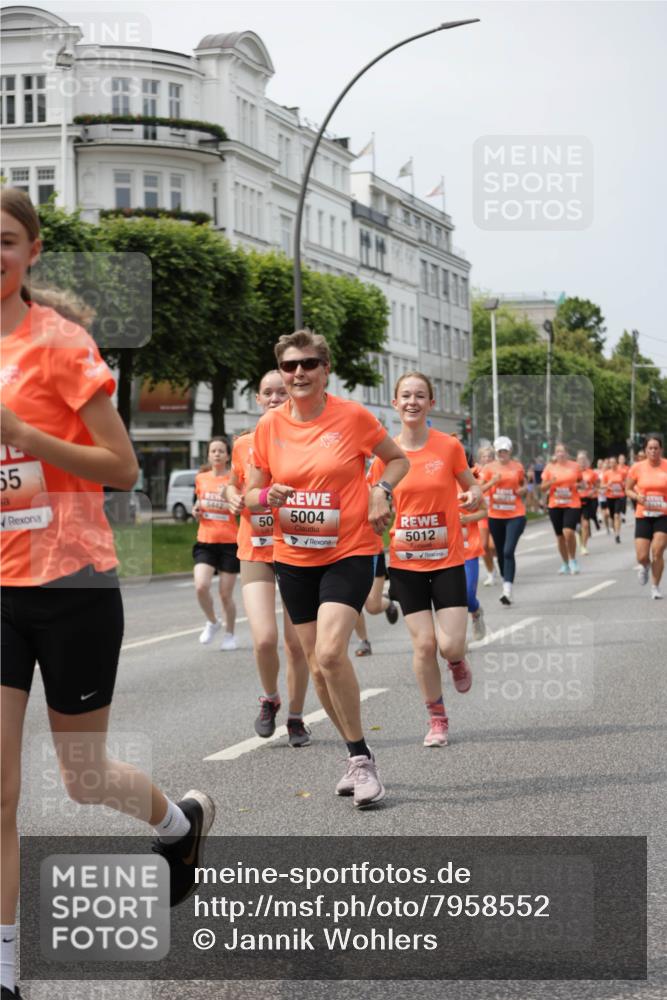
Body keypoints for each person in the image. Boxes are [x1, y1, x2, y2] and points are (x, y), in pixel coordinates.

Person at [0, 189, 213, 999]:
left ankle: (176, 824)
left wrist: (25, 437)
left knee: (83, 776)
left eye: (7, 239)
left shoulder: (62, 346)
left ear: (33, 251)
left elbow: (121, 468)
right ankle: (8, 973)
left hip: (72, 579)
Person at [245, 329, 409, 808]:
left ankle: (361, 758)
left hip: (349, 550)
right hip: (294, 557)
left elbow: (396, 461)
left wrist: (382, 490)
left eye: (308, 364)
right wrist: (265, 496)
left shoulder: (352, 417)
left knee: (333, 653)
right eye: (290, 366)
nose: (299, 373)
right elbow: (252, 493)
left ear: (324, 369)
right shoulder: (269, 428)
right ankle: (356, 757)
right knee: (317, 667)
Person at [370, 373, 483, 748]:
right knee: (423, 646)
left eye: (420, 396)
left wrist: (474, 496)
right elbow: (372, 503)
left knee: (450, 645)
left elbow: (472, 486)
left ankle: (457, 661)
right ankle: (437, 719)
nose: (413, 402)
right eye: (406, 396)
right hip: (406, 564)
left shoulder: (448, 446)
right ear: (395, 403)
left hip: (447, 559)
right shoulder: (384, 456)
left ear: (431, 403)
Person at [225, 371, 311, 746]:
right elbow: (235, 482)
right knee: (263, 639)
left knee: (296, 644)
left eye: (282, 391)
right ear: (258, 399)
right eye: (268, 393)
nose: (275, 397)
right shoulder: (243, 444)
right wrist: (231, 494)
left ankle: (295, 716)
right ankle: (270, 698)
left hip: (297, 548)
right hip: (257, 548)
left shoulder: (305, 441)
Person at [192, 438, 239, 650]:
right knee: (201, 586)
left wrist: (229, 498)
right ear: (209, 455)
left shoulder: (233, 479)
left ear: (228, 455)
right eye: (213, 451)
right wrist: (195, 510)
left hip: (229, 542)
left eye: (221, 451)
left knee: (225, 594)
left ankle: (230, 634)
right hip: (206, 541)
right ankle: (212, 621)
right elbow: (198, 502)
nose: (217, 454)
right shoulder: (201, 478)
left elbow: (240, 508)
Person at [479, 437, 527, 606]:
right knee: (499, 552)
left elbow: (524, 484)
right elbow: (480, 488)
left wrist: (523, 490)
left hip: (515, 515)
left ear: (510, 452)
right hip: (495, 516)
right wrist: (492, 481)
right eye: (499, 451)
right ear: (496, 452)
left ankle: (507, 589)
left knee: (508, 551)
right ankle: (506, 582)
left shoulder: (517, 467)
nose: (502, 454)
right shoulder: (489, 468)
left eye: (505, 451)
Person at [626, 435, 667, 600]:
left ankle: (655, 587)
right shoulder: (637, 468)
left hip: (663, 515)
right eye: (650, 448)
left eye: (656, 448)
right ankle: (645, 566)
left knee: (657, 552)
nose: (653, 451)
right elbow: (627, 489)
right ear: (645, 450)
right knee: (642, 556)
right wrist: (637, 497)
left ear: (661, 450)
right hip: (643, 514)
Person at [541, 442, 584, 574]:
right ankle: (565, 563)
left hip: (572, 504)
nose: (560, 453)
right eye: (557, 451)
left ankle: (572, 560)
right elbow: (543, 488)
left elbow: (581, 481)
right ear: (555, 454)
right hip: (555, 505)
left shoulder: (575, 466)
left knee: (568, 532)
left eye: (562, 451)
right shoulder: (549, 467)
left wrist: (579, 485)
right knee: (560, 536)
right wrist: (550, 482)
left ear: (566, 453)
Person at [476, 445, 499, 586]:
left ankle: (497, 563)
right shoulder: (475, 472)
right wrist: (491, 482)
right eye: (484, 457)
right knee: (483, 546)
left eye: (489, 456)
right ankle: (491, 573)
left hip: (497, 512)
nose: (487, 459)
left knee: (492, 546)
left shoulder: (499, 471)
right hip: (482, 513)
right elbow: (477, 490)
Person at [576, 450, 599, 555]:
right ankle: (580, 540)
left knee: (585, 524)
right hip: (575, 501)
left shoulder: (591, 473)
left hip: (587, 500)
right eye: (580, 459)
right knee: (577, 526)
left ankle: (584, 546)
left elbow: (597, 485)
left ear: (587, 461)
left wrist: (593, 491)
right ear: (576, 461)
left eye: (583, 459)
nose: (582, 462)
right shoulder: (573, 473)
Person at [602, 456, 625, 543]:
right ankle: (615, 529)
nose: (612, 464)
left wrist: (623, 484)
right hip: (610, 497)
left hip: (619, 496)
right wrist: (608, 484)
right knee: (611, 517)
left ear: (616, 463)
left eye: (614, 462)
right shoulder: (606, 473)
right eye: (611, 463)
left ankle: (617, 534)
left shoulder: (621, 472)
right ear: (609, 464)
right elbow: (602, 485)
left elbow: (625, 483)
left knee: (616, 515)